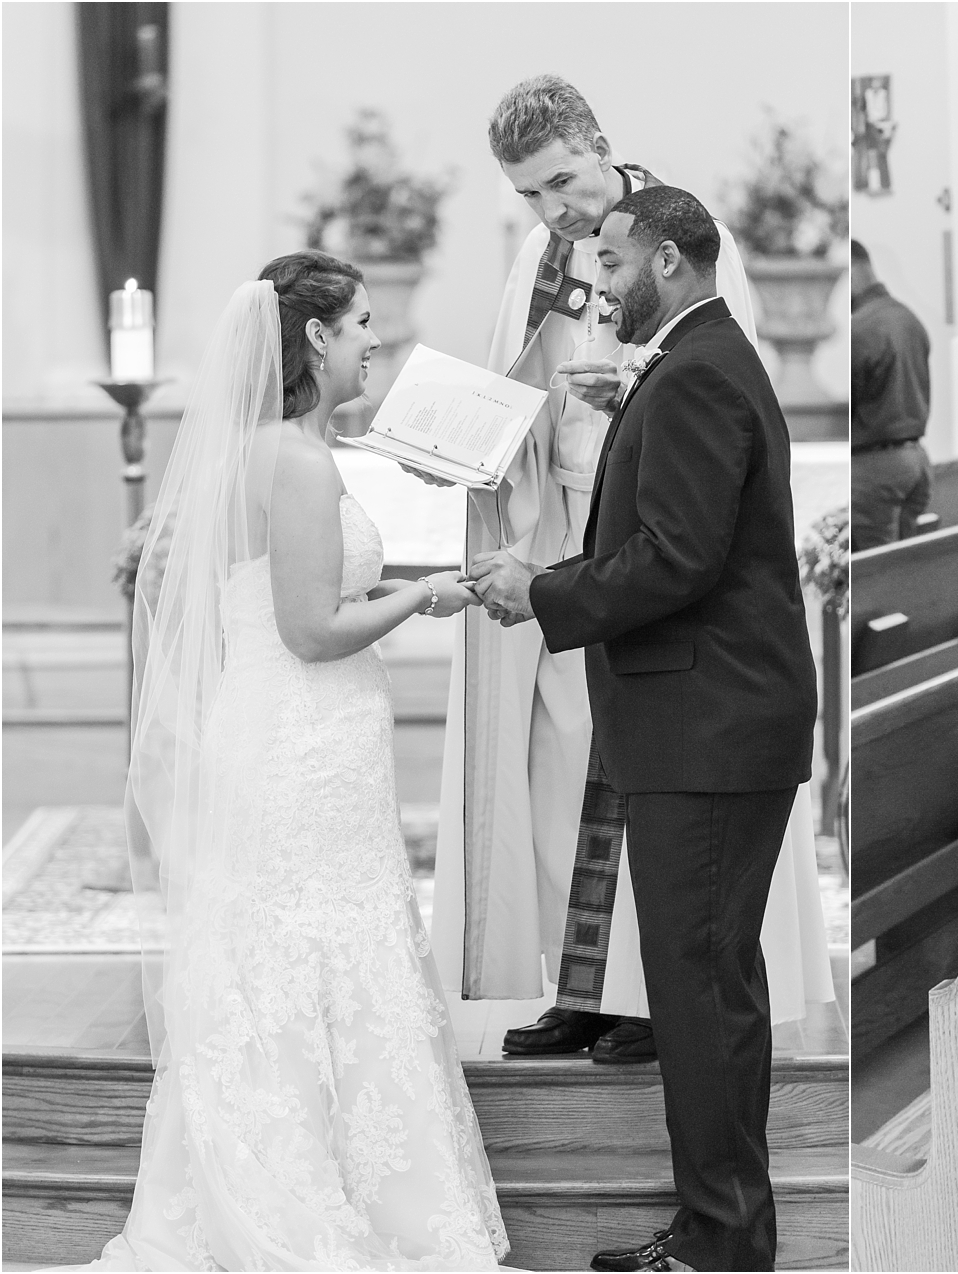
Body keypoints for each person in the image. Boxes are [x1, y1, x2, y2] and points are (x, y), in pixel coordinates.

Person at [97, 253, 507, 1268]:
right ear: (316, 336)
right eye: (363, 322)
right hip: (305, 736)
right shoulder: (300, 461)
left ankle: (272, 1165)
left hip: (279, 730)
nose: (378, 339)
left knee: (276, 952)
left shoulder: (255, 450)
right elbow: (314, 630)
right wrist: (426, 593)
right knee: (320, 943)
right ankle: (318, 1199)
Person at [426, 75, 833, 1066]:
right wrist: (461, 434)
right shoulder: (536, 253)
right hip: (560, 523)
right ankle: (583, 985)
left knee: (646, 775)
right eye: (529, 194)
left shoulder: (675, 236)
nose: (553, 210)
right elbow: (512, 375)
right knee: (569, 769)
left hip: (644, 532)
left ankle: (651, 996)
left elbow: (720, 387)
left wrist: (628, 396)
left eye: (560, 181)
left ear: (598, 145)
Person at [470, 187, 816, 1273]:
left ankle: (721, 1244)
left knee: (701, 991)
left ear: (665, 260)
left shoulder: (699, 371)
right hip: (702, 721)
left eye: (612, 262)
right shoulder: (688, 363)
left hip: (707, 725)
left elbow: (675, 558)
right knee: (704, 983)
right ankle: (718, 1226)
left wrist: (544, 593)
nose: (599, 284)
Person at [850, 238, 932, 550]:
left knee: (875, 576)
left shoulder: (863, 327)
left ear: (856, 269)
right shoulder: (907, 317)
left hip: (876, 469)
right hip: (916, 461)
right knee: (905, 569)